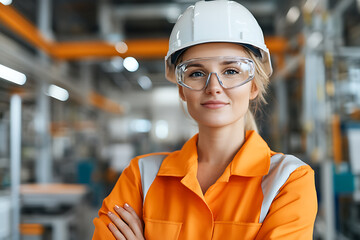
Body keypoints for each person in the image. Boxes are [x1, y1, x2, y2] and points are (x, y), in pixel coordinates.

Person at [92, 1, 317, 239]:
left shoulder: (288, 181)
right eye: (196, 73)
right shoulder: (141, 177)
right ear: (181, 89)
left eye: (230, 71)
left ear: (253, 85)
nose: (214, 87)